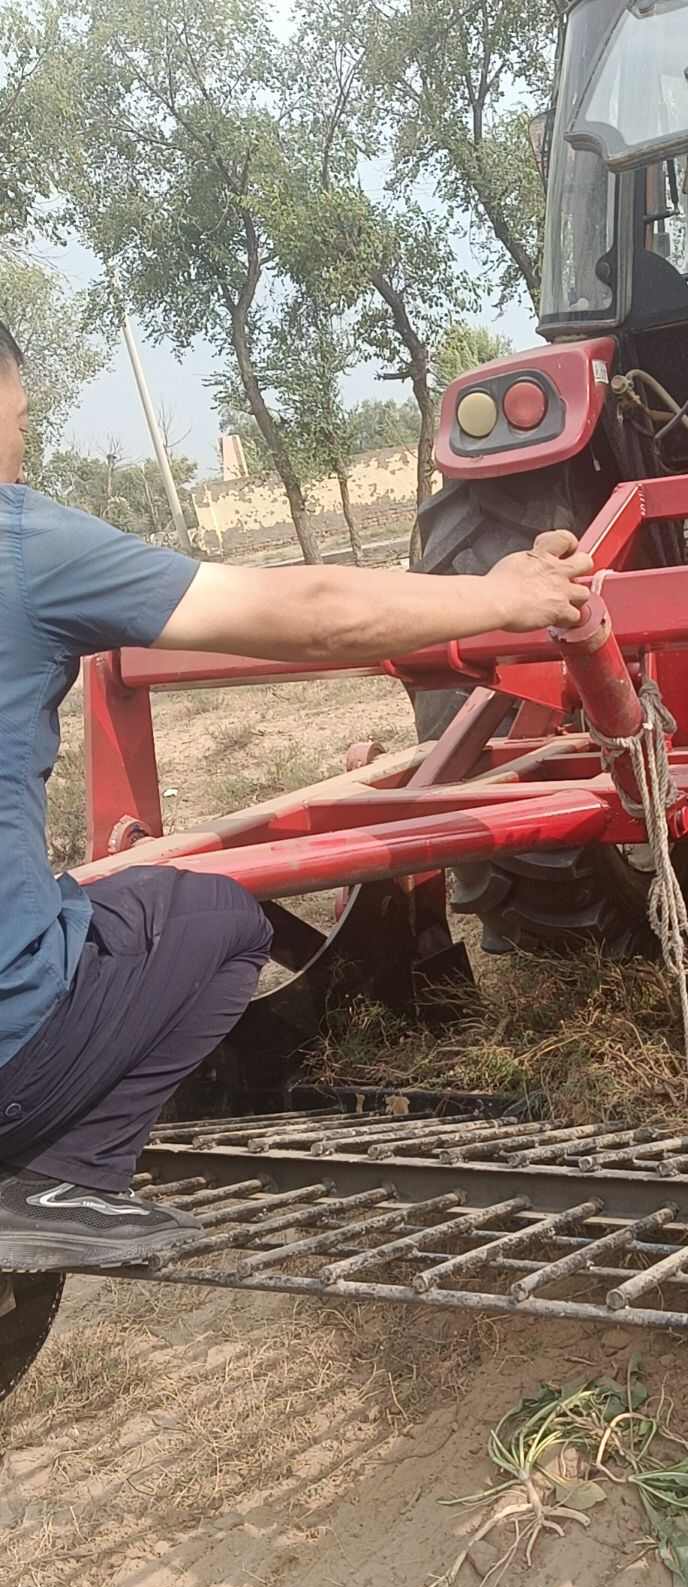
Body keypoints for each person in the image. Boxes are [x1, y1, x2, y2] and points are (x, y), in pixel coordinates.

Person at [0, 323, 592, 1274]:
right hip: (11, 1060)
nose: (22, 453)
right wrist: (505, 593)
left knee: (91, 899)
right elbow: (314, 615)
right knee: (214, 916)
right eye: (20, 422)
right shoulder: (22, 544)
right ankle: (64, 1181)